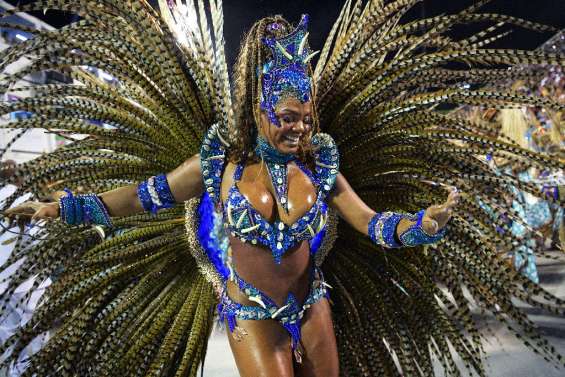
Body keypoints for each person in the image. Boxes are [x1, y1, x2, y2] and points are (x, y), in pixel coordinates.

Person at [0, 1, 563, 376]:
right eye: (286, 117)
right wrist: (56, 207)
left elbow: (370, 222)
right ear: (259, 111)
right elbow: (136, 198)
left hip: (311, 304)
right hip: (252, 313)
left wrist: (422, 225)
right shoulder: (217, 163)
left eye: (306, 116)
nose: (298, 128)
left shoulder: (320, 165)